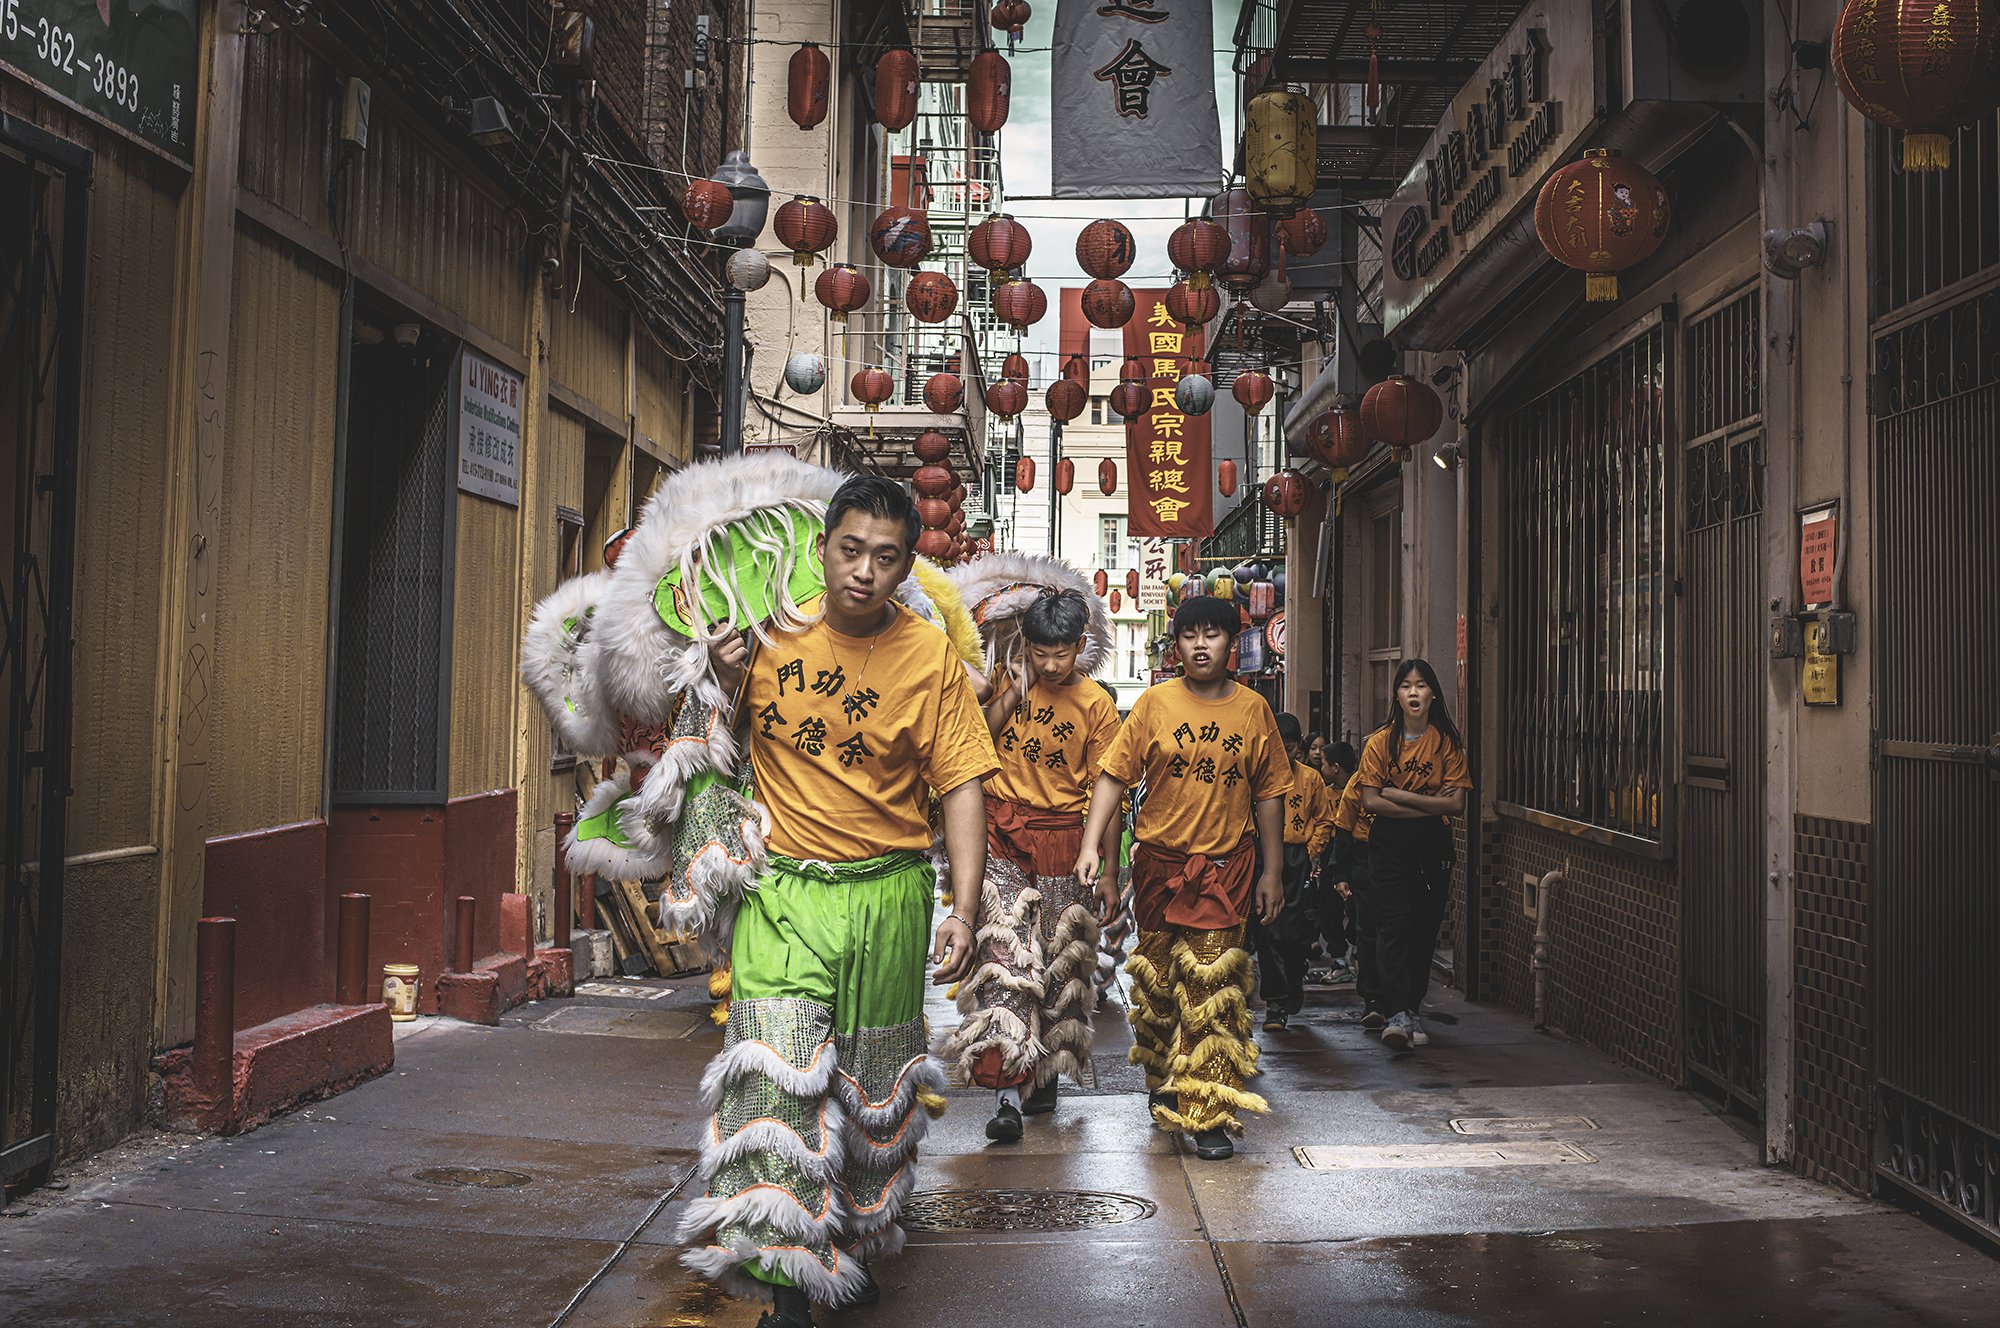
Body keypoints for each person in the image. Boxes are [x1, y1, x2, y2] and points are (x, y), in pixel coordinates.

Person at [691, 476, 999, 1327]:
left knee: (869, 1093)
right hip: (784, 891)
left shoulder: (930, 656)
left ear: (907, 567)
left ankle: (853, 1241)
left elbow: (964, 783)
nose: (864, 572)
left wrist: (963, 910)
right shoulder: (762, 634)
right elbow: (705, 754)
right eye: (850, 550)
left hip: (888, 896)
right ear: (822, 549)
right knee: (776, 1081)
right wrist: (721, 680)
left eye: (887, 557)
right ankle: (787, 1274)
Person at [1076, 595, 1290, 1161]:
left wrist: (1274, 870)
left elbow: (1269, 795)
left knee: (1213, 989)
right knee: (1162, 984)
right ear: (1177, 645)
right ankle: (1165, 1073)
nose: (1200, 644)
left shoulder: (1253, 711)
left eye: (1212, 634)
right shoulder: (1153, 704)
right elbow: (1113, 779)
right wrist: (1093, 848)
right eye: (1190, 634)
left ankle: (1209, 1111)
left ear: (1232, 645)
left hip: (1225, 869)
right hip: (1160, 868)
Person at [937, 580, 1120, 1144]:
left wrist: (1111, 870)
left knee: (1060, 971)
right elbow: (974, 745)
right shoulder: (1004, 683)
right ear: (1026, 643)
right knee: (1006, 965)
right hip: (1003, 841)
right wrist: (1011, 695)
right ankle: (1004, 1093)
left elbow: (1108, 792)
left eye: (1060, 653)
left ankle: (1039, 1076)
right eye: (1040, 652)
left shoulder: (1096, 704)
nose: (1049, 663)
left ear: (1079, 643)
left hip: (1066, 843)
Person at [1352, 660, 1471, 1053]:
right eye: (1406, 686)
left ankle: (1412, 1007)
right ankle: (1397, 1010)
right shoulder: (1379, 743)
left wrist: (1399, 795)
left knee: (1424, 926)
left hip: (1432, 843)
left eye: (1421, 686)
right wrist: (1427, 805)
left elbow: (1455, 804)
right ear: (1397, 695)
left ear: (1433, 693)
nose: (1414, 693)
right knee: (1393, 923)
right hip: (1388, 842)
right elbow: (1370, 800)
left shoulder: (1447, 743)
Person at [1255, 713, 1336, 1032]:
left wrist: (1312, 852)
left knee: (1297, 931)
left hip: (1296, 856)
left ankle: (1295, 976)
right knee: (1267, 929)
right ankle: (1275, 1003)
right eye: (1279, 748)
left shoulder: (1310, 779)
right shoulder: (1258, 778)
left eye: (1290, 749)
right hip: (1264, 855)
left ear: (1298, 748)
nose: (1284, 755)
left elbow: (1324, 819)